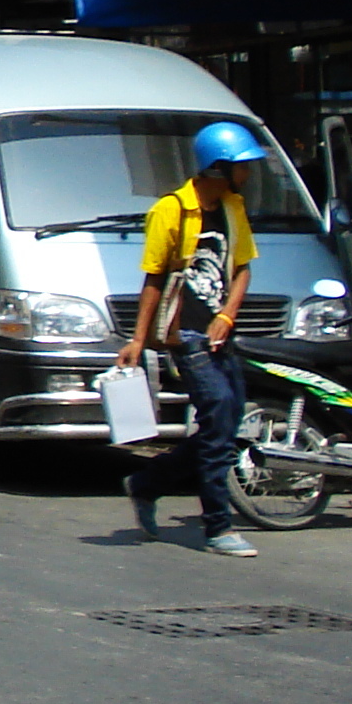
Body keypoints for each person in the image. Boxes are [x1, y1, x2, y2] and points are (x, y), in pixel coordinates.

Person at [115, 122, 268, 557]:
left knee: (227, 423)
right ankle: (218, 527)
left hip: (221, 334)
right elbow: (154, 278)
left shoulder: (233, 207)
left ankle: (146, 482)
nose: (249, 174)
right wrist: (138, 340)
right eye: (242, 166)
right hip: (187, 336)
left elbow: (242, 268)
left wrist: (228, 314)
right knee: (218, 412)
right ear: (219, 166)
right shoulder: (173, 210)